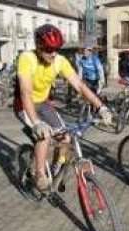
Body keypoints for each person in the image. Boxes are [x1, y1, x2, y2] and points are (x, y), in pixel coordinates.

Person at [13, 24, 112, 193]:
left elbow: (80, 86)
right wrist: (37, 122)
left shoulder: (59, 61)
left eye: (56, 49)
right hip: (24, 104)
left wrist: (101, 107)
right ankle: (39, 175)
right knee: (43, 137)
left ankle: (56, 168)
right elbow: (26, 92)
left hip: (43, 103)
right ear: (39, 47)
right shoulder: (27, 58)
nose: (53, 53)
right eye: (49, 49)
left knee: (65, 137)